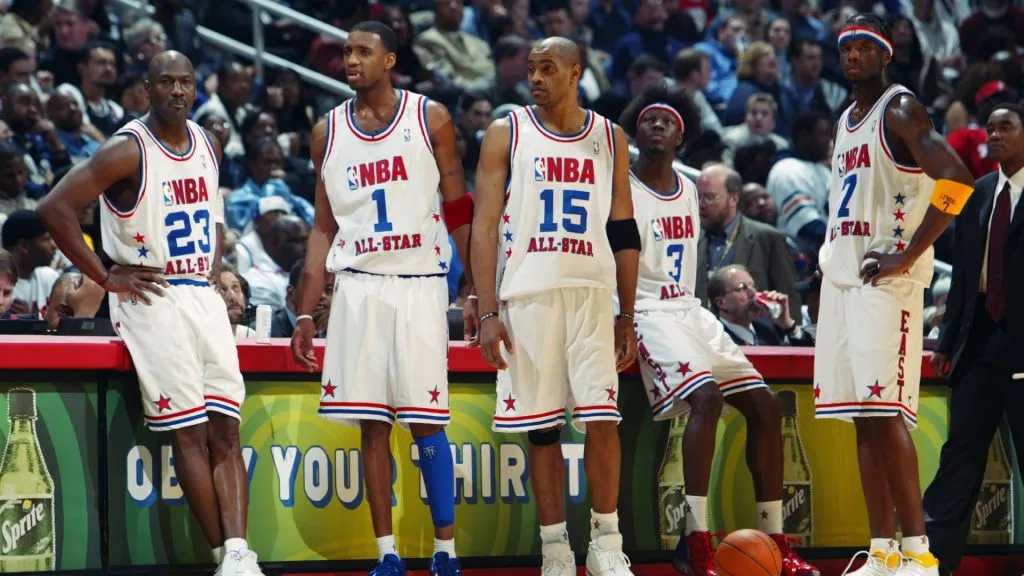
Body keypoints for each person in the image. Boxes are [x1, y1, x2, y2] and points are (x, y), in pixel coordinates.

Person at [36, 51, 264, 576]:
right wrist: (104, 275)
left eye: (186, 82)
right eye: (167, 82)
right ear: (147, 87)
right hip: (152, 294)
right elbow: (53, 208)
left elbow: (212, 216)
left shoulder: (209, 142)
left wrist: (217, 261)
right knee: (189, 431)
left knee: (227, 429)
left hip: (200, 294)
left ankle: (237, 554)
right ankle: (222, 555)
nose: (178, 91)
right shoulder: (126, 150)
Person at [289, 21, 475, 576]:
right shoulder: (327, 131)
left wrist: (477, 289)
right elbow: (322, 228)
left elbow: (458, 207)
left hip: (418, 283)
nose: (351, 60)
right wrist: (305, 309)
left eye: (363, 51)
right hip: (357, 288)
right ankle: (386, 554)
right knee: (372, 425)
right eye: (346, 51)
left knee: (427, 423)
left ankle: (446, 553)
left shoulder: (430, 117)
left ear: (390, 59)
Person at [620, 83, 819, 576]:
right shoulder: (619, 187)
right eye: (648, 119)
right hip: (645, 309)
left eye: (668, 120)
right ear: (636, 131)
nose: (658, 124)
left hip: (690, 310)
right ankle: (695, 541)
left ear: (682, 135)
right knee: (705, 399)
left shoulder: (690, 191)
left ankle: (775, 540)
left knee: (767, 407)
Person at [813, 15, 976, 576]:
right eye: (847, 47)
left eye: (865, 47)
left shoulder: (900, 109)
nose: (853, 55)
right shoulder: (845, 119)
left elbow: (957, 178)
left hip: (888, 283)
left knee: (887, 414)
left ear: (886, 55)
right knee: (864, 416)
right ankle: (881, 550)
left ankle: (919, 553)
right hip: (846, 280)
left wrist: (908, 254)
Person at [470, 37, 639, 576]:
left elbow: (624, 227)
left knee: (602, 420)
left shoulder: (610, 136)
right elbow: (485, 226)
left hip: (592, 292)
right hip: (527, 293)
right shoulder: (507, 131)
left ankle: (607, 544)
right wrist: (489, 307)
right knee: (541, 428)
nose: (536, 78)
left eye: (548, 69)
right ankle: (555, 549)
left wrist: (627, 312)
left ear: (575, 73)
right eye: (531, 69)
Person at [923, 103, 1024, 576]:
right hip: (979, 337)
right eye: (991, 128)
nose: (995, 135)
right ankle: (933, 561)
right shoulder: (980, 191)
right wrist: (945, 341)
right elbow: (963, 274)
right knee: (960, 453)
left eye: (1006, 127)